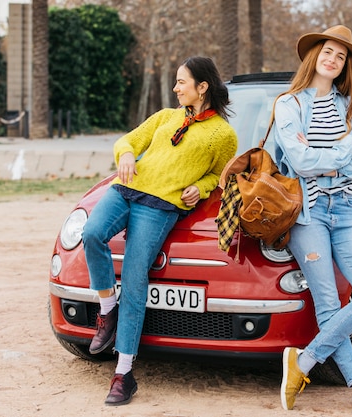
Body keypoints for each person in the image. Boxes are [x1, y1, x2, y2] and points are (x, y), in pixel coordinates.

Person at [81, 56, 237, 406]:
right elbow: (128, 141)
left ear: (202, 86)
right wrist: (125, 156)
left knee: (135, 279)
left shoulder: (223, 134)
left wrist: (202, 186)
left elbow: (218, 175)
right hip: (127, 189)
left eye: (182, 82)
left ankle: (123, 373)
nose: (175, 88)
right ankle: (108, 308)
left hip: (161, 205)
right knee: (91, 234)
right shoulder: (166, 117)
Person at [273, 25, 352, 417]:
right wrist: (342, 151)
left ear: (345, 67)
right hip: (308, 214)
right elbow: (300, 163)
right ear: (314, 56)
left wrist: (321, 156)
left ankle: (303, 363)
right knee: (327, 302)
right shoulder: (289, 104)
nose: (333, 59)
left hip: (345, 211)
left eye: (341, 56)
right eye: (328, 51)